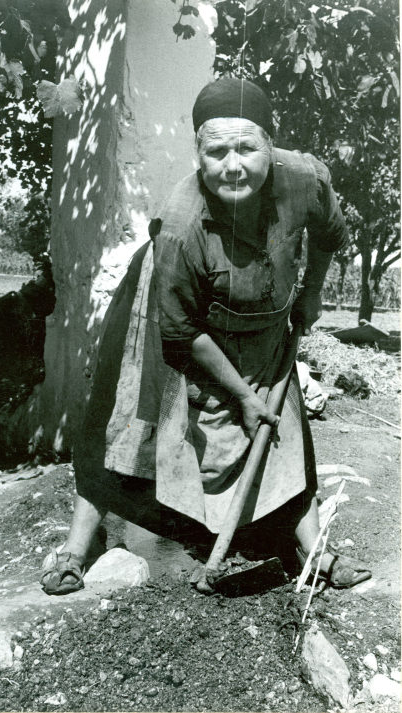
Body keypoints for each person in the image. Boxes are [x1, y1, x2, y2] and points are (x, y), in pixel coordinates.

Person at [40, 77, 371, 595]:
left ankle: (314, 551)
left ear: (270, 142)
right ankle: (78, 547)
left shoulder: (305, 178)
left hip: (264, 317)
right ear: (198, 153)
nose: (232, 165)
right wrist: (239, 394)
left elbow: (330, 234)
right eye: (216, 151)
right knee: (131, 418)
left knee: (282, 422)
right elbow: (179, 333)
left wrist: (311, 292)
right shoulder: (181, 225)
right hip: (168, 315)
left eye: (247, 147)